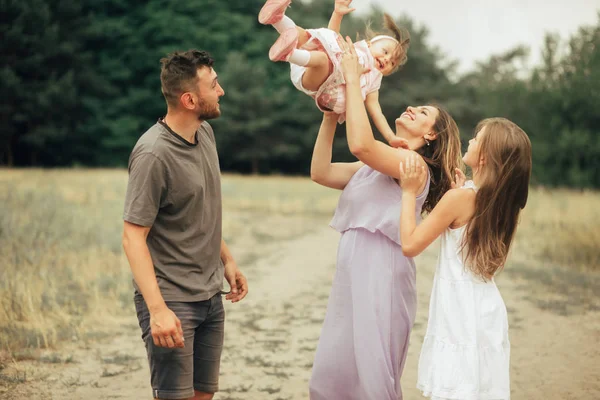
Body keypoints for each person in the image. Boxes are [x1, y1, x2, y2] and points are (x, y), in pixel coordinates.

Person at [307, 36, 463, 399]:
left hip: (382, 272)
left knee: (372, 371)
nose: (412, 107)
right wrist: (331, 116)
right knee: (337, 366)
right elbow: (321, 172)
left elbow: (362, 143)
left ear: (430, 134)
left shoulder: (412, 166)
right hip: (352, 271)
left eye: (422, 113)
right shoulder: (376, 166)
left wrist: (350, 77)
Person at [122, 49, 248, 400]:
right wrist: (158, 310)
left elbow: (200, 211)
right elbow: (133, 238)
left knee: (202, 394)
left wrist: (227, 260)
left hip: (210, 296)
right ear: (190, 99)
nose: (221, 91)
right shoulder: (153, 154)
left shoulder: (205, 134)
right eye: (214, 85)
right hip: (172, 300)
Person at [398, 118, 532, 400]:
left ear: (483, 156)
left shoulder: (460, 199)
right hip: (485, 308)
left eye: (476, 138)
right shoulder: (498, 201)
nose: (469, 141)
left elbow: (410, 244)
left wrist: (408, 193)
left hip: (459, 309)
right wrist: (457, 192)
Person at [259, 0, 410, 143]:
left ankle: (289, 54)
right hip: (307, 60)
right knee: (306, 36)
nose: (387, 59)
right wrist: (337, 13)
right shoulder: (353, 49)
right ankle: (277, 18)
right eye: (385, 51)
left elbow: (377, 112)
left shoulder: (374, 80)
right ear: (369, 44)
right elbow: (331, 36)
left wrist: (391, 137)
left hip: (319, 83)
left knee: (323, 60)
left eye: (392, 62)